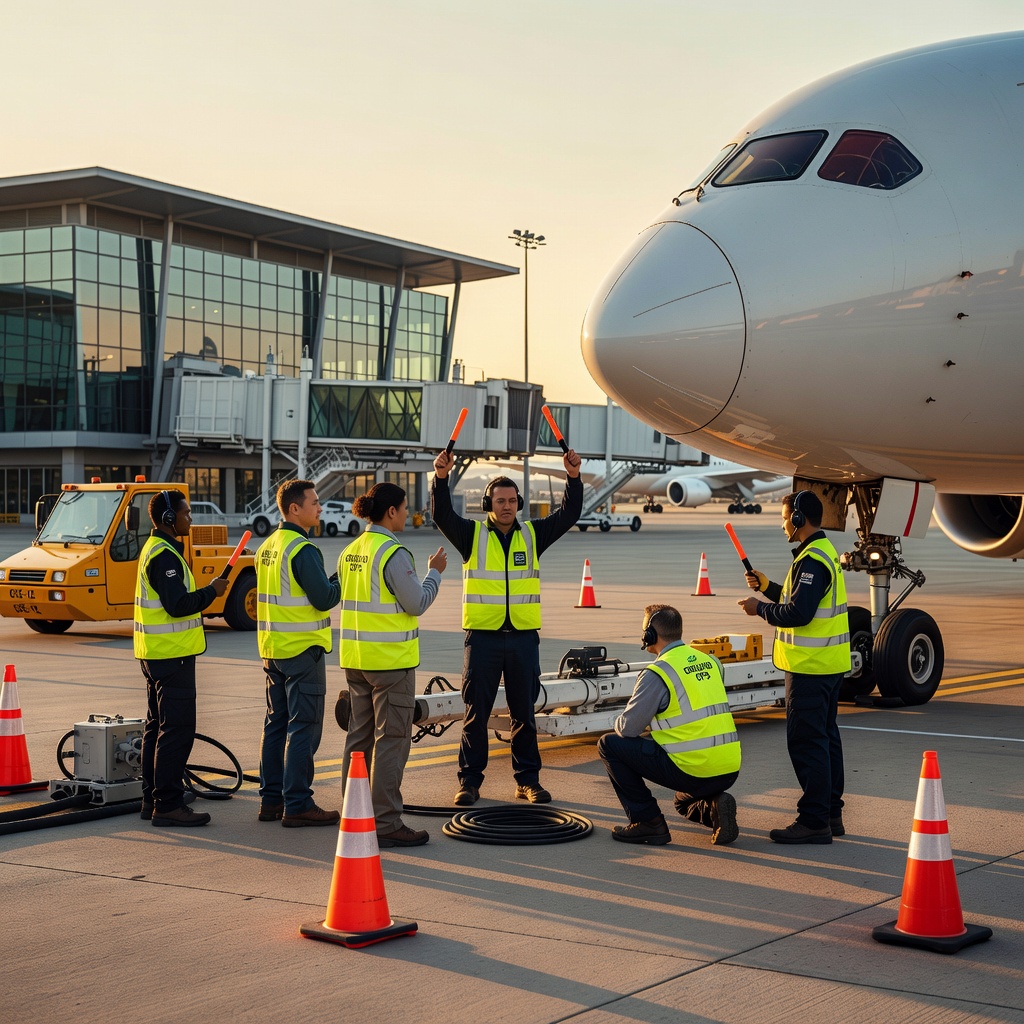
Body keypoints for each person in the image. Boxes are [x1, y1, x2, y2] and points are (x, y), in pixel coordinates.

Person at [432, 447, 582, 805]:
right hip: (482, 639)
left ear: (519, 504)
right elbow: (441, 514)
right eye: (500, 500)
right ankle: (469, 782)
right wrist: (440, 478)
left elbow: (569, 513)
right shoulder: (471, 536)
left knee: (524, 715)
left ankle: (527, 781)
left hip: (523, 640)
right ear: (488, 504)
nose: (507, 506)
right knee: (475, 715)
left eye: (512, 500)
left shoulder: (532, 535)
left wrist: (572, 478)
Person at [738, 490, 851, 845]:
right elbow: (800, 601)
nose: (782, 523)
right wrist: (769, 587)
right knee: (826, 739)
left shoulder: (813, 561)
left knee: (807, 743)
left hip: (810, 669)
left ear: (800, 518)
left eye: (785, 516)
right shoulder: (819, 553)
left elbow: (799, 614)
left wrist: (759, 608)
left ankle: (814, 820)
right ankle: (830, 814)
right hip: (827, 666)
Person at [339, 482, 447, 848]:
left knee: (358, 738)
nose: (406, 513)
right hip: (390, 663)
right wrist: (434, 573)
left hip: (356, 660)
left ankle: (353, 813)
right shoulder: (393, 553)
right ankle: (385, 822)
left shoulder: (351, 550)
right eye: (404, 508)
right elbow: (416, 603)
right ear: (390, 512)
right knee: (392, 740)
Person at [597, 605, 741, 846]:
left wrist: (622, 717)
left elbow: (628, 730)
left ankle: (647, 822)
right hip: (729, 768)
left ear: (650, 635)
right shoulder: (711, 662)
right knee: (681, 802)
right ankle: (714, 806)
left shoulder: (658, 672)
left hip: (693, 769)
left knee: (609, 744)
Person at [134, 489, 227, 827]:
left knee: (156, 728)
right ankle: (168, 804)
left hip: (155, 655)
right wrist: (211, 593)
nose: (191, 519)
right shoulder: (165, 556)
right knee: (177, 731)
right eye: (187, 514)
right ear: (170, 519)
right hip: (172, 657)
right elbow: (177, 605)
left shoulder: (157, 549)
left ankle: (151, 798)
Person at [256, 479, 341, 827]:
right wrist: (342, 582)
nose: (320, 508)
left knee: (276, 726)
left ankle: (271, 801)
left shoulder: (268, 546)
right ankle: (298, 803)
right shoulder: (302, 549)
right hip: (303, 651)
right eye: (314, 502)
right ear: (295, 509)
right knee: (303, 727)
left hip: (273, 649)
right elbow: (323, 598)